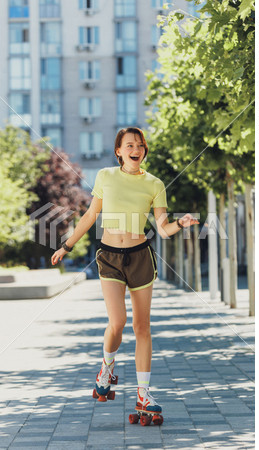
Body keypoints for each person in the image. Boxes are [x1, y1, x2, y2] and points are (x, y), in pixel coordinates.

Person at [51, 127, 199, 414]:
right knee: (117, 322)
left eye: (140, 145)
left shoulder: (155, 184)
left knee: (142, 327)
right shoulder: (105, 176)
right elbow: (91, 215)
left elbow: (163, 229)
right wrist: (66, 246)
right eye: (130, 144)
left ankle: (143, 394)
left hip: (141, 256)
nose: (136, 149)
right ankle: (106, 369)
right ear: (119, 151)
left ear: (144, 150)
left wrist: (181, 223)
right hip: (110, 257)